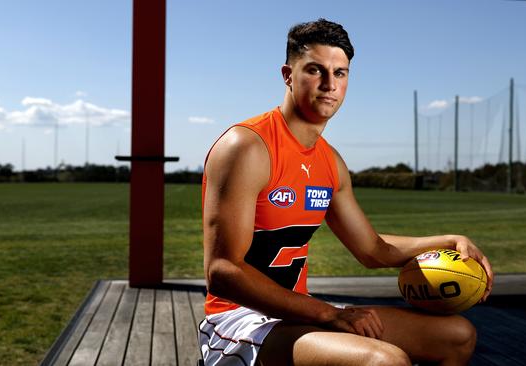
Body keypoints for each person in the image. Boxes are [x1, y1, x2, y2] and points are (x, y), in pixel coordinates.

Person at [199, 18, 494, 366]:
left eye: (340, 73)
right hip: (239, 321)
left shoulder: (330, 163)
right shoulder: (248, 146)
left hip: (299, 314)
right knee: (382, 360)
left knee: (456, 336)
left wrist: (449, 240)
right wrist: (328, 314)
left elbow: (372, 250)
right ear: (287, 75)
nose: (329, 84)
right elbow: (222, 271)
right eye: (315, 70)